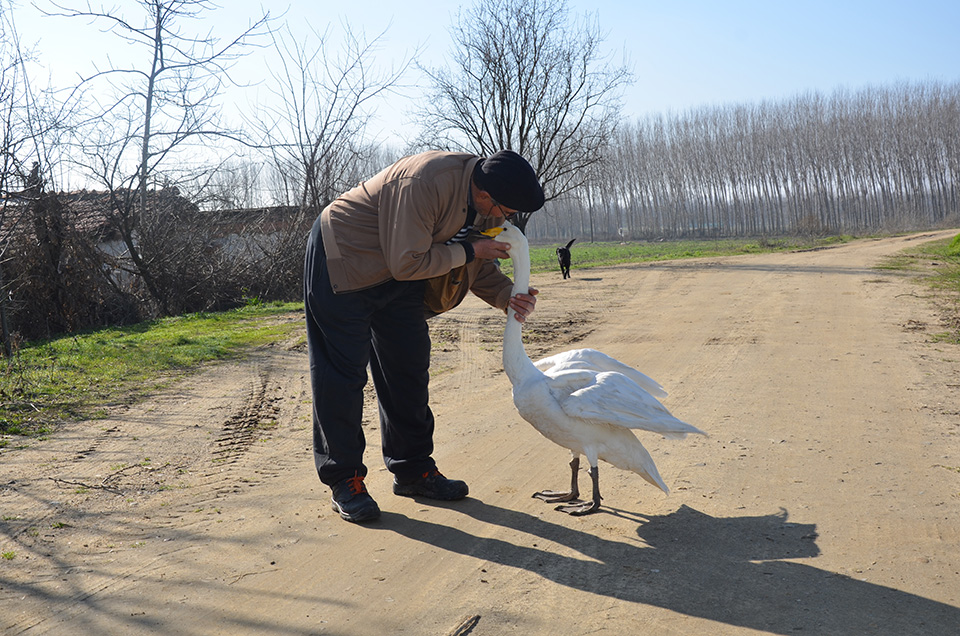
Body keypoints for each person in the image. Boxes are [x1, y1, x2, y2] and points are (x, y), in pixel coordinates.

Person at [304, 149, 545, 523]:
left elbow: (473, 262)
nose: (507, 219)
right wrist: (469, 249)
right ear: (485, 195)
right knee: (344, 372)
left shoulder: (485, 205)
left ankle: (413, 469)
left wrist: (506, 296)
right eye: (508, 211)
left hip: (399, 272)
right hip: (345, 259)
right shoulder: (425, 182)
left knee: (408, 365)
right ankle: (345, 479)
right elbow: (411, 261)